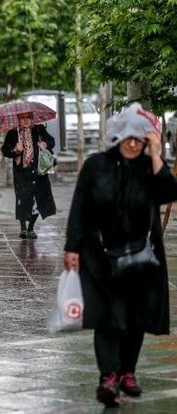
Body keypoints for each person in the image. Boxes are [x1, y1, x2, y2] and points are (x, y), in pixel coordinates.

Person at [63, 103, 177, 408]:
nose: (132, 142)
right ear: (116, 137)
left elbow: (169, 192)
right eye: (127, 137)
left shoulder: (148, 166)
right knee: (108, 318)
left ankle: (128, 372)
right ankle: (108, 378)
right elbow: (80, 208)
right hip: (101, 257)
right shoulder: (96, 165)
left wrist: (156, 154)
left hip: (142, 258)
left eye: (138, 138)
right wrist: (72, 246)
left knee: (135, 318)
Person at [1, 113, 56, 238]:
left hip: (39, 171)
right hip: (22, 173)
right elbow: (5, 150)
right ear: (19, 120)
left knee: (37, 200)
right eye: (23, 118)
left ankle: (31, 228)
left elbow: (52, 141)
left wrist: (45, 144)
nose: (26, 121)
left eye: (28, 118)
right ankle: (23, 228)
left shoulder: (39, 129)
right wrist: (15, 150)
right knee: (23, 200)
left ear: (32, 119)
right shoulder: (13, 133)